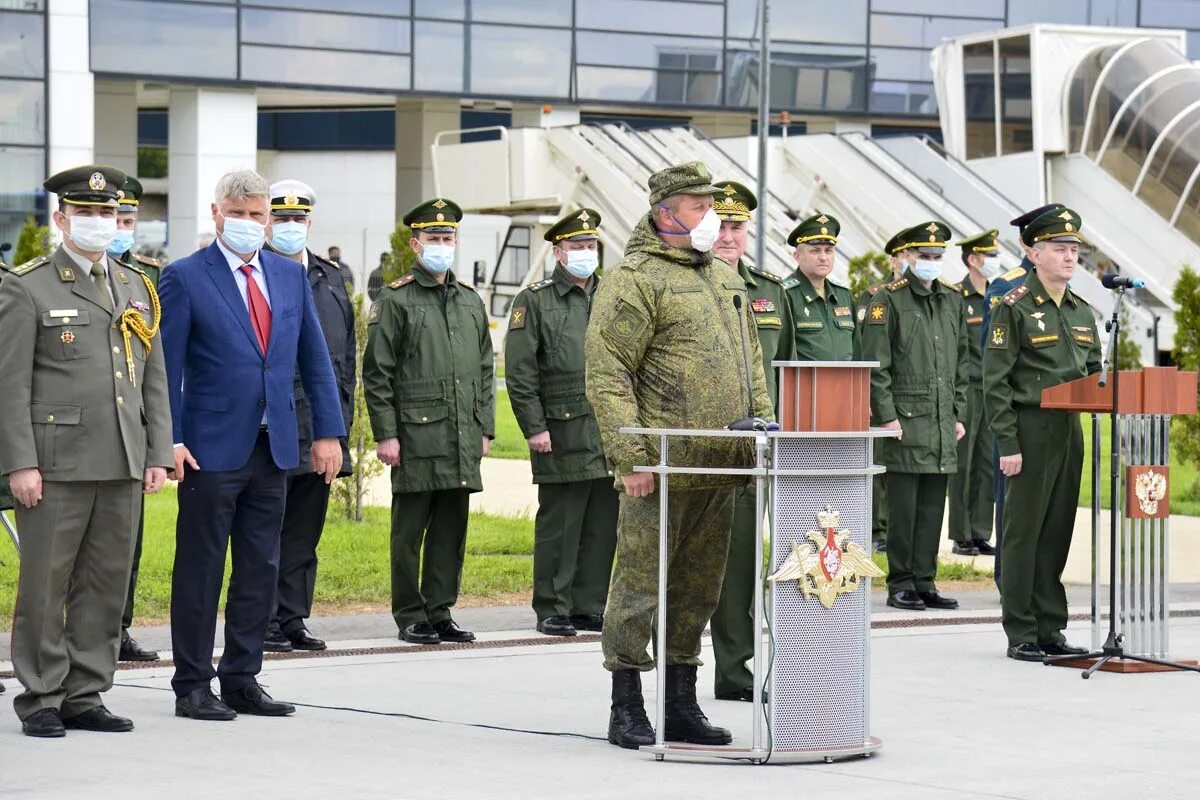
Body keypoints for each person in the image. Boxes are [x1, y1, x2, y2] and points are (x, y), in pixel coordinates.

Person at [587, 162, 770, 750]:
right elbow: (608, 372)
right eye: (697, 206)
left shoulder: (723, 278)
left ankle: (680, 705)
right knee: (640, 586)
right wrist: (630, 455)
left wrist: (759, 436)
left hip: (718, 465)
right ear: (664, 211)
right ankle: (626, 706)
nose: (710, 217)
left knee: (698, 591)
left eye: (711, 205)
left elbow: (752, 368)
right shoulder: (634, 278)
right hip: (660, 467)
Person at [160, 169, 345, 722]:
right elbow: (165, 368)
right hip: (209, 447)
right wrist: (167, 438)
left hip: (275, 445)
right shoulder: (185, 277)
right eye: (237, 213)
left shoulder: (288, 278)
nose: (248, 223)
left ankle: (243, 676)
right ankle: (192, 683)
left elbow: (314, 359)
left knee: (261, 567)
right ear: (216, 214)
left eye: (257, 214)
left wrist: (329, 433)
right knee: (201, 568)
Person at [0, 164, 172, 737]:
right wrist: (19, 463)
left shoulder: (134, 285)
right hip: (55, 462)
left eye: (109, 213)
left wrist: (156, 453)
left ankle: (86, 692)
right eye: (88, 212)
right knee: (47, 582)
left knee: (106, 580)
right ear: (61, 218)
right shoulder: (27, 286)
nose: (100, 222)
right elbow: (10, 385)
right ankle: (42, 696)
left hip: (122, 458)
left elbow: (153, 377)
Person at [363, 198, 495, 645]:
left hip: (460, 433)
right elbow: (377, 371)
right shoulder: (396, 299)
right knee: (409, 533)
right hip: (417, 435)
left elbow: (483, 368)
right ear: (416, 244)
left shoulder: (469, 301)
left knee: (451, 530)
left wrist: (485, 427)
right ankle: (410, 614)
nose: (442, 245)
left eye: (448, 237)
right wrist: (386, 434)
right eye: (434, 238)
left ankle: (440, 611)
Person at [983, 206, 1100, 662]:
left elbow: (1094, 375)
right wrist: (1008, 444)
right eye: (1059, 248)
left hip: (1069, 430)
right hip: (1028, 431)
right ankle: (1022, 631)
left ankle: (1052, 627)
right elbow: (996, 383)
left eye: (1074, 249)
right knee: (1022, 533)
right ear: (1034, 253)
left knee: (1056, 530)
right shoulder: (1011, 307)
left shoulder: (1082, 311)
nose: (1070, 257)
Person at [504, 208, 617, 638]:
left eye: (591, 246)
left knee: (601, 522)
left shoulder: (611, 295)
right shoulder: (535, 300)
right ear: (558, 251)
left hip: (608, 429)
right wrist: (534, 426)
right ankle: (553, 606)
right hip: (561, 428)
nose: (586, 253)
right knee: (561, 524)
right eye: (577, 246)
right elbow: (520, 371)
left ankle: (589, 604)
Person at [708, 180, 795, 702]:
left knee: (752, 565)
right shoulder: (686, 285)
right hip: (705, 449)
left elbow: (789, 372)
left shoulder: (770, 292)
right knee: (709, 570)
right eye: (717, 225)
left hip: (762, 449)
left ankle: (738, 672)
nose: (726, 235)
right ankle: (699, 672)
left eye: (735, 226)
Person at [261, 180, 356, 653]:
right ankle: (263, 621)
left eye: (298, 220)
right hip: (275, 426)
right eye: (281, 218)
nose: (290, 227)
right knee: (267, 530)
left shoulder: (330, 275)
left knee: (304, 532)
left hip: (322, 428)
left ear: (310, 223)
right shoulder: (255, 273)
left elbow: (344, 360)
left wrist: (340, 429)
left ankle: (293, 617)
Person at [860, 222, 967, 612]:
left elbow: (963, 364)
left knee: (932, 508)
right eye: (925, 256)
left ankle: (925, 580)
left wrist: (958, 411)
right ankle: (901, 581)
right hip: (904, 421)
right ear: (906, 257)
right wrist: (886, 416)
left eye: (938, 257)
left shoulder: (952, 301)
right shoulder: (887, 300)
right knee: (903, 510)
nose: (931, 263)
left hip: (940, 421)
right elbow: (875, 365)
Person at [982, 203, 1066, 593]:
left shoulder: (1064, 293)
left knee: (1050, 517)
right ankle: (1010, 584)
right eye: (1050, 240)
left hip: (1059, 424)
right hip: (1020, 417)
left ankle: (1036, 592)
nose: (1064, 253)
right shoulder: (1007, 288)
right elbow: (996, 362)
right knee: (1015, 510)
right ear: (1028, 244)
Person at [105, 175, 164, 663]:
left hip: (135, 428)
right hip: (84, 430)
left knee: (130, 540)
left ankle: (119, 628)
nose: (120, 227)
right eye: (113, 218)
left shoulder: (147, 279)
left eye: (126, 219)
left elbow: (160, 366)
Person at [948, 229, 1003, 557]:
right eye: (989, 255)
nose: (995, 261)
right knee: (964, 463)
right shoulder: (958, 296)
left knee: (987, 461)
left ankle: (981, 531)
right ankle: (961, 534)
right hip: (967, 387)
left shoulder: (999, 295)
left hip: (992, 389)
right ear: (973, 260)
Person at [856, 238, 904, 554]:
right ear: (893, 262)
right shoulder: (875, 297)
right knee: (876, 466)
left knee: (897, 471)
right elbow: (866, 347)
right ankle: (875, 528)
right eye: (903, 257)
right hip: (878, 394)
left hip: (907, 396)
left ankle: (892, 528)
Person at [783, 211, 859, 361]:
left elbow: (858, 352)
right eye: (815, 251)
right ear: (797, 256)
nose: (823, 257)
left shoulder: (844, 295)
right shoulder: (785, 295)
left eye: (828, 251)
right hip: (804, 383)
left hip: (844, 383)